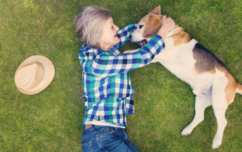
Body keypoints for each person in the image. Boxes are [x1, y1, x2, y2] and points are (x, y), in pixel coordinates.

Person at [74, 5, 176, 152]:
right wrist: (164, 30)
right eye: (111, 26)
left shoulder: (100, 48)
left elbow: (122, 34)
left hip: (106, 135)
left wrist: (151, 24)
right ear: (97, 35)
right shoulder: (99, 63)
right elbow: (143, 57)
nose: (117, 28)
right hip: (102, 136)